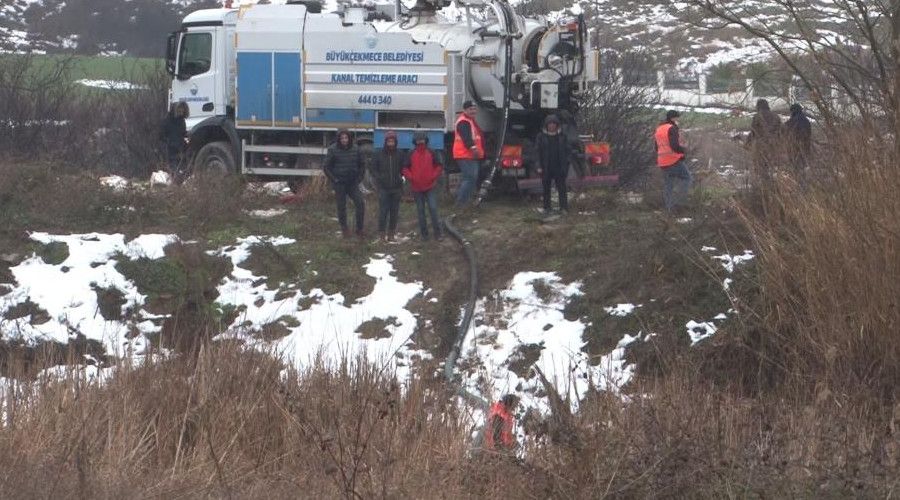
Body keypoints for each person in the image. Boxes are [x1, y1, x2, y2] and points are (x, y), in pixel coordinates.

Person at [323, 129, 366, 238]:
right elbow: (326, 167)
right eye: (342, 138)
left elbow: (362, 165)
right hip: (339, 183)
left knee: (360, 203)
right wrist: (334, 179)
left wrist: (359, 178)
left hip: (352, 183)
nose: (344, 140)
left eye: (346, 138)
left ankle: (359, 229)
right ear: (339, 139)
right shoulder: (333, 149)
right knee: (341, 207)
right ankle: (344, 228)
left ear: (349, 138)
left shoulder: (356, 149)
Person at [403, 131, 444, 241]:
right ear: (415, 141)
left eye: (422, 139)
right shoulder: (411, 153)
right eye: (418, 139)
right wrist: (411, 177)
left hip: (430, 186)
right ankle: (424, 235)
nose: (420, 141)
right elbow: (405, 168)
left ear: (425, 140)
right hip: (416, 188)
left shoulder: (431, 152)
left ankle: (438, 233)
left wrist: (433, 176)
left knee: (433, 209)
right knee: (420, 212)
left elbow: (439, 165)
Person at [371, 130, 406, 242]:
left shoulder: (400, 154)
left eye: (392, 141)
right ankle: (381, 234)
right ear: (385, 142)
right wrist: (379, 178)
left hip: (396, 188)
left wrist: (401, 177)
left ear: (395, 142)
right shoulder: (378, 153)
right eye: (389, 141)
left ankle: (391, 233)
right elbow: (373, 169)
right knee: (383, 212)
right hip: (383, 188)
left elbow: (403, 168)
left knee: (394, 212)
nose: (391, 143)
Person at [654, 110, 692, 213]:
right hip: (673, 160)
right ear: (673, 118)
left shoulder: (659, 129)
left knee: (668, 185)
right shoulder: (672, 128)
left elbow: (656, 147)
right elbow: (674, 146)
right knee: (687, 178)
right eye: (677, 118)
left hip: (662, 161)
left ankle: (669, 209)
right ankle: (679, 204)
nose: (678, 120)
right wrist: (683, 150)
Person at [535, 114, 572, 215]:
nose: (551, 126)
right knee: (546, 188)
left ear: (557, 125)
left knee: (562, 188)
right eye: (549, 124)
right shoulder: (541, 137)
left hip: (559, 167)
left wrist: (567, 164)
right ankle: (547, 208)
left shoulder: (562, 137)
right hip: (546, 167)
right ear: (546, 125)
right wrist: (538, 166)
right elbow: (537, 152)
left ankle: (563, 208)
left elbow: (568, 151)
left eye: (553, 124)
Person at [452, 100, 484, 207]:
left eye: (474, 109)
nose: (473, 111)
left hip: (469, 154)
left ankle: (463, 200)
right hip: (464, 154)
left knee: (470, 178)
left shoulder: (469, 121)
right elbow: (467, 138)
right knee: (470, 177)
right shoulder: (464, 122)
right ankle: (461, 203)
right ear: (465, 110)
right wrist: (474, 148)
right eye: (470, 109)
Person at [747, 98, 783, 183]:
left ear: (759, 106)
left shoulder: (757, 116)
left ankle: (763, 185)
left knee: (761, 166)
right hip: (774, 145)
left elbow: (753, 131)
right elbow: (781, 132)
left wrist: (748, 142)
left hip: (761, 146)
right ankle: (773, 185)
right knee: (772, 165)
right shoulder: (776, 116)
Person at [161, 102, 189, 181]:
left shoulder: (181, 120)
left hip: (181, 145)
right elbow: (162, 135)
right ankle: (175, 179)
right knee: (173, 165)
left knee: (183, 164)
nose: (181, 111)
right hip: (171, 146)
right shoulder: (167, 120)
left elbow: (183, 133)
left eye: (182, 109)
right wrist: (168, 142)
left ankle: (181, 179)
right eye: (180, 109)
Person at [784, 103, 812, 173]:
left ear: (793, 111)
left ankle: (797, 178)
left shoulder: (792, 121)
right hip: (805, 145)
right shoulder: (806, 121)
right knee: (802, 164)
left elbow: (784, 130)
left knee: (795, 165)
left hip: (795, 146)